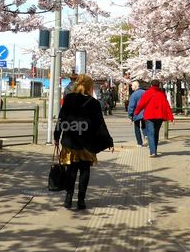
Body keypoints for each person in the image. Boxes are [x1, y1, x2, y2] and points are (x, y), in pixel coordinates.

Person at [54, 74, 114, 210]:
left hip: (70, 141)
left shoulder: (69, 99)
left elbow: (61, 119)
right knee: (85, 171)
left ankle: (68, 199)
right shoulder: (94, 103)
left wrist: (56, 135)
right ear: (89, 87)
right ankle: (81, 200)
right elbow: (100, 124)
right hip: (87, 143)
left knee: (71, 171)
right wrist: (108, 140)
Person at [136, 79, 175, 157]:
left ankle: (152, 152)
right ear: (158, 85)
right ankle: (155, 150)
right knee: (156, 133)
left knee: (150, 133)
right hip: (159, 117)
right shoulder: (162, 94)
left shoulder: (148, 93)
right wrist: (171, 117)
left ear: (151, 85)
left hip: (149, 116)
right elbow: (166, 105)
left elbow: (141, 104)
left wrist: (136, 113)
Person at [126, 79, 147, 146]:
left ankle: (139, 143)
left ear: (135, 86)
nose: (131, 87)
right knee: (144, 126)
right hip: (145, 113)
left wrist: (130, 114)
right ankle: (146, 135)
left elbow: (131, 105)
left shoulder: (134, 95)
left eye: (132, 86)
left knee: (137, 128)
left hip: (136, 113)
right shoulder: (145, 92)